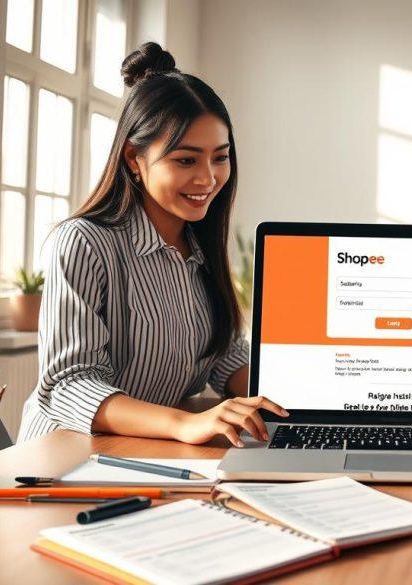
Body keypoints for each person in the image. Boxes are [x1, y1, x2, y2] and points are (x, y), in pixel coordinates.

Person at [18, 43, 288, 446]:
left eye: (220, 157)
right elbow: (71, 385)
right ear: (133, 158)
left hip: (149, 454)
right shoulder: (83, 242)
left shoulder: (199, 245)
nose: (208, 178)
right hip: (65, 459)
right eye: (186, 160)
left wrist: (304, 397)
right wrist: (184, 423)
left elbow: (224, 355)